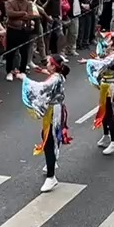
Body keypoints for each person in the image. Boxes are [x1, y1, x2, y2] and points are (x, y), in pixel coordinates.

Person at [19, 55, 71, 193]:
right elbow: (51, 77)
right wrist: (42, 71)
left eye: (47, 62)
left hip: (54, 112)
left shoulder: (55, 78)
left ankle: (51, 176)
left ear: (53, 66)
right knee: (46, 136)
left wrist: (24, 79)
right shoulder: (58, 75)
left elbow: (41, 88)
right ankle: (52, 161)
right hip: (53, 111)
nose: (45, 63)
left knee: (48, 141)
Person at [85, 35, 114, 155]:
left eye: (110, 43)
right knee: (104, 111)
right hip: (106, 86)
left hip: (111, 87)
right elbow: (103, 62)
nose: (107, 44)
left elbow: (103, 64)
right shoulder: (111, 56)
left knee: (109, 114)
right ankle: (106, 136)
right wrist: (97, 59)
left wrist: (89, 62)